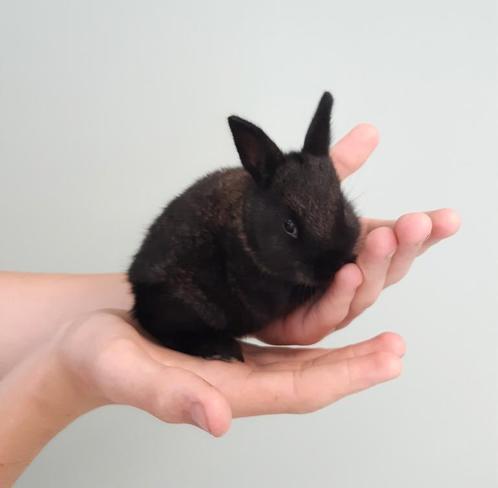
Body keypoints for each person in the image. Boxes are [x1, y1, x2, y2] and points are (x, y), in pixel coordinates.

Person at [0, 124, 460, 486]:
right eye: (294, 228)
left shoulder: (297, 218)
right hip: (177, 299)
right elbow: (165, 276)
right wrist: (61, 378)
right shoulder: (239, 225)